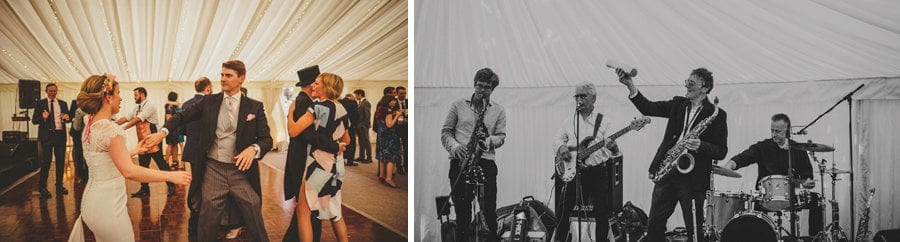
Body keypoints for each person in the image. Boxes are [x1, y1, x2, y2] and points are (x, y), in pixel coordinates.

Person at [143, 60, 273, 241]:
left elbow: (267, 139)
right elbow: (181, 116)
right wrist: (162, 133)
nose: (223, 79)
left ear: (241, 78)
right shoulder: (209, 102)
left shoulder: (254, 107)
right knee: (208, 218)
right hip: (213, 169)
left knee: (253, 209)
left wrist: (254, 148)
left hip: (240, 171)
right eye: (222, 75)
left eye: (228, 75)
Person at [67, 74, 191, 241]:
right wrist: (171, 175)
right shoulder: (111, 130)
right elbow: (129, 171)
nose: (121, 97)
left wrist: (134, 150)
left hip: (91, 203)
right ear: (108, 97)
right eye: (118, 93)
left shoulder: (91, 125)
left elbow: (105, 159)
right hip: (109, 208)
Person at [618, 67, 727, 241]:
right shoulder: (678, 103)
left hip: (693, 178)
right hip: (667, 172)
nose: (687, 86)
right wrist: (630, 85)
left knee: (694, 231)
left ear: (705, 88)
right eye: (687, 82)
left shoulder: (717, 114)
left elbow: (721, 150)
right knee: (654, 227)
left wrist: (701, 145)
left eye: (691, 83)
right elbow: (648, 107)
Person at [720, 113, 821, 235]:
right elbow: (743, 158)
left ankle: (815, 238)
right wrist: (729, 166)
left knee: (816, 200)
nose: (774, 134)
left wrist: (807, 183)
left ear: (787, 130)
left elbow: (807, 176)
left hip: (791, 196)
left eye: (777, 131)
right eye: (772, 130)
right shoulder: (762, 147)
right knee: (755, 205)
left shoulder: (798, 149)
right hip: (766, 196)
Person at [441, 68, 507, 240]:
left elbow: (501, 137)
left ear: (492, 89)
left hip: (485, 162)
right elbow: (446, 132)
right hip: (460, 161)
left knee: (489, 210)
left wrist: (488, 141)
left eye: (487, 88)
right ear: (474, 84)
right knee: (462, 211)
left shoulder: (499, 110)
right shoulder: (458, 105)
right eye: (479, 86)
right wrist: (455, 147)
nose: (481, 91)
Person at [552, 83, 622, 241]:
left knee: (601, 213)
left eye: (583, 96)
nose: (579, 99)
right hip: (574, 173)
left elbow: (615, 151)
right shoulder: (570, 120)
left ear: (594, 98)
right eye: (577, 96)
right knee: (564, 210)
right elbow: (557, 138)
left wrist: (614, 147)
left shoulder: (604, 121)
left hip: (597, 172)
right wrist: (562, 147)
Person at [291, 72, 352, 241]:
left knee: (303, 210)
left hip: (319, 165)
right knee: (334, 211)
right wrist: (335, 144)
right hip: (337, 166)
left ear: (327, 87)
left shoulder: (318, 106)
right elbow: (347, 139)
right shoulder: (341, 108)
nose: (313, 86)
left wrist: (290, 113)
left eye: (317, 83)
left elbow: (293, 130)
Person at [284, 65, 336, 242]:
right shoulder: (305, 103)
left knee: (308, 206)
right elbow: (307, 135)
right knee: (309, 207)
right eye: (315, 83)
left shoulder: (310, 102)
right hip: (305, 159)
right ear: (310, 86)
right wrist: (335, 147)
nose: (315, 86)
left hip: (310, 159)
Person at [116, 87, 176, 197]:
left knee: (160, 163)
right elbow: (127, 117)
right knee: (142, 165)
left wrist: (123, 128)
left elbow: (138, 119)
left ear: (142, 94)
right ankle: (144, 189)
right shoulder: (136, 107)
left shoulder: (150, 106)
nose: (134, 97)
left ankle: (171, 185)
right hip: (142, 140)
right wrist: (114, 124)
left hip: (153, 139)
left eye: (136, 95)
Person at [32, 83, 71, 198]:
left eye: (54, 91)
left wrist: (67, 118)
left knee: (60, 163)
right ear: (46, 91)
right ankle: (42, 187)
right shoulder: (40, 103)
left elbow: (68, 118)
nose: (53, 93)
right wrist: (43, 117)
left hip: (60, 136)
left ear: (57, 91)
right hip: (47, 136)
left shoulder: (63, 104)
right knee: (46, 162)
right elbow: (34, 120)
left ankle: (59, 186)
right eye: (50, 91)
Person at [183, 76, 211, 235]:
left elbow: (182, 129)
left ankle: (196, 206)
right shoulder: (208, 103)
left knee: (196, 176)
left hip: (192, 146)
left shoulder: (186, 104)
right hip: (206, 148)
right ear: (207, 88)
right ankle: (196, 206)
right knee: (205, 178)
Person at [374, 95, 402, 188]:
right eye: (393, 101)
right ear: (388, 101)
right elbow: (389, 124)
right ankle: (389, 178)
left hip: (381, 135)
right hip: (389, 136)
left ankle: (382, 175)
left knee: (383, 156)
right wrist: (397, 116)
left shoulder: (380, 109)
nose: (394, 102)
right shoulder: (388, 111)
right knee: (391, 157)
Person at [164, 91, 185, 170]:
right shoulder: (169, 106)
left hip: (175, 129)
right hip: (170, 129)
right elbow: (168, 118)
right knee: (170, 145)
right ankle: (166, 163)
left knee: (175, 145)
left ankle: (175, 162)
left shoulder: (173, 106)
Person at [70, 99, 89, 184]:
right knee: (78, 155)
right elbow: (70, 116)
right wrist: (74, 119)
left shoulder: (94, 103)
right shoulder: (75, 102)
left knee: (88, 156)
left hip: (88, 134)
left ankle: (88, 175)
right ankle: (81, 176)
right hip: (77, 134)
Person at [353, 89, 373, 163]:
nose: (355, 96)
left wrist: (362, 125)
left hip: (363, 125)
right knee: (361, 141)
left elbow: (367, 115)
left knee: (366, 141)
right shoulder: (361, 102)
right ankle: (361, 156)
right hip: (360, 125)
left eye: (356, 95)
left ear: (360, 94)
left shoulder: (366, 103)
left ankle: (369, 157)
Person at [340, 94, 359, 167]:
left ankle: (342, 159)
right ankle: (350, 161)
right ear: (351, 97)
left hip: (341, 125)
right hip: (350, 126)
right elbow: (356, 114)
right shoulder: (353, 102)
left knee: (342, 141)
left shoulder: (340, 102)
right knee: (351, 143)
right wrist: (355, 125)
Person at [396, 86, 409, 174]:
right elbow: (392, 116)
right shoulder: (394, 103)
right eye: (401, 93)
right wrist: (402, 120)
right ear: (397, 94)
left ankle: (407, 166)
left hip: (407, 130)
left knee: (407, 149)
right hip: (396, 129)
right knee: (397, 149)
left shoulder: (409, 102)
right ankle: (399, 167)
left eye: (404, 93)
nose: (403, 95)